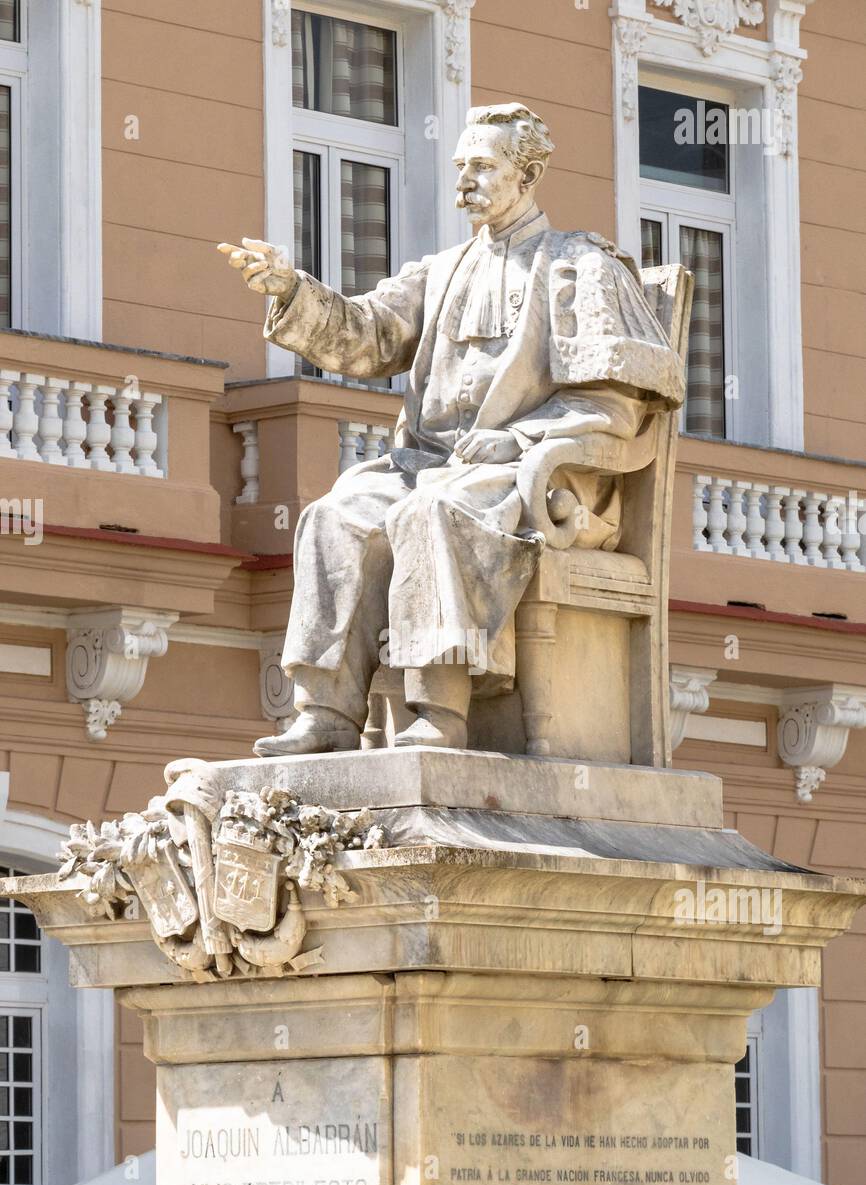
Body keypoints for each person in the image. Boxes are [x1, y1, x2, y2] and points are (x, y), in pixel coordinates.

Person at [219, 104, 684, 757]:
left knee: (433, 511)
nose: (466, 180)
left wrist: (520, 441)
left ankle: (441, 711)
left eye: (484, 166)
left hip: (547, 480)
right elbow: (365, 336)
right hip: (434, 464)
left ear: (528, 175)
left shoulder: (580, 267)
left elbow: (614, 408)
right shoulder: (441, 272)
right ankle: (327, 711)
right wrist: (291, 288)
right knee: (336, 514)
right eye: (462, 165)